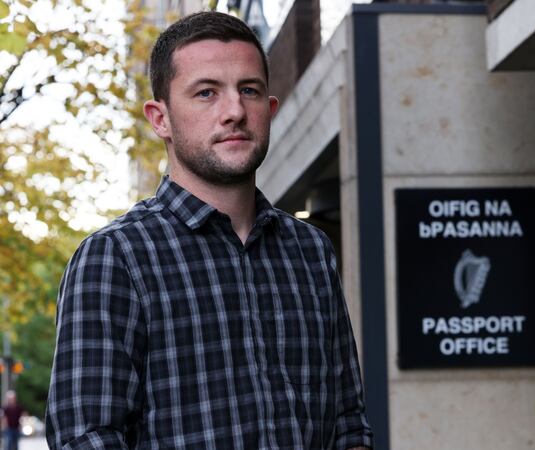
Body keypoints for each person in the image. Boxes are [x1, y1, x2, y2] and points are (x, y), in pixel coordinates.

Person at [45, 11, 372, 449]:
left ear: (269, 110)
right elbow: (85, 438)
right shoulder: (115, 259)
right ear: (160, 118)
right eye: (206, 93)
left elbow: (348, 422)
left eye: (249, 91)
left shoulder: (310, 251)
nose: (234, 111)